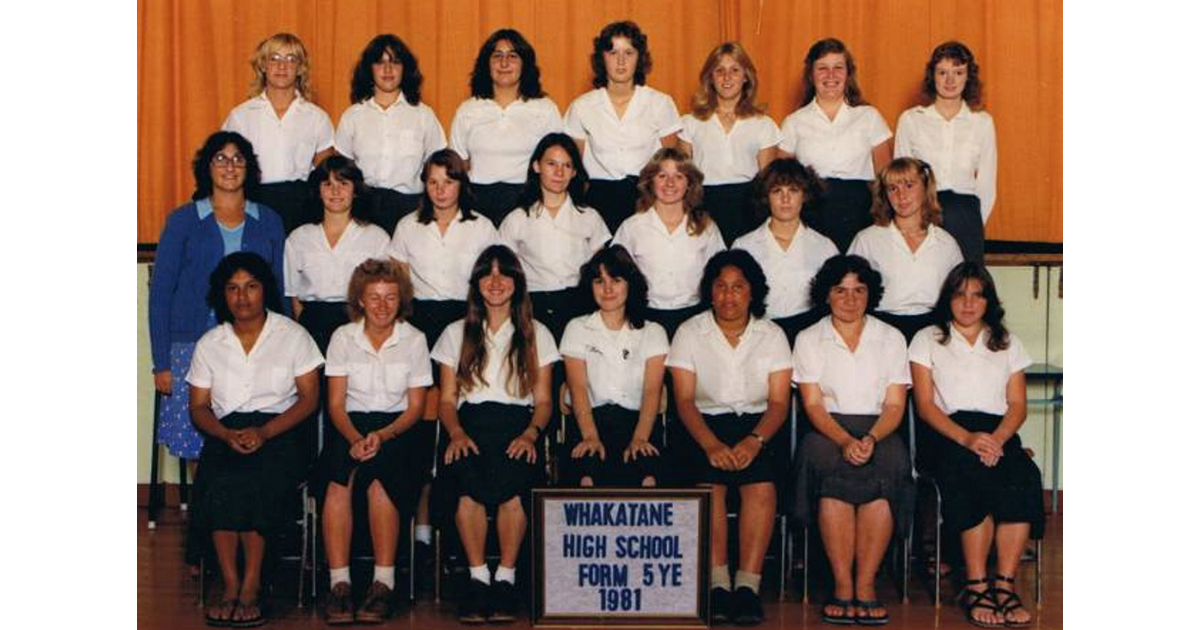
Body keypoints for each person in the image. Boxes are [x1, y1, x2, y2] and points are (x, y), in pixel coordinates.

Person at [187, 252, 322, 628]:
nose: (242, 297)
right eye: (232, 289)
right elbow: (198, 408)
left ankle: (251, 586)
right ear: (221, 295)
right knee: (219, 479)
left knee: (256, 480)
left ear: (265, 290)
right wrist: (226, 433)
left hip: (280, 431)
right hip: (225, 431)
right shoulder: (210, 343)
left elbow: (310, 399)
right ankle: (229, 585)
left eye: (251, 287)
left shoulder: (293, 335)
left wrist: (264, 432)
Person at [909, 262, 1042, 628]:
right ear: (948, 299)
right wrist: (967, 439)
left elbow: (1017, 404)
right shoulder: (928, 339)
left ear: (989, 301)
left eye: (977, 295)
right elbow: (925, 406)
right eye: (960, 294)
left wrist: (997, 439)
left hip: (997, 432)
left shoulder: (1006, 341)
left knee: (1022, 476)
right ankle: (977, 583)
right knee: (971, 477)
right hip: (949, 433)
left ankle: (1005, 586)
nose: (968, 303)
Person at [431, 245, 559, 624]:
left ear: (518, 283)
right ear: (477, 284)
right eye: (488, 274)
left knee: (515, 483)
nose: (496, 282)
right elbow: (447, 400)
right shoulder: (455, 333)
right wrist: (454, 433)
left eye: (505, 274)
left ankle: (505, 577)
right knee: (466, 481)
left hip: (518, 427)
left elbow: (545, 402)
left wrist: (531, 435)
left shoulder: (538, 333)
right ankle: (477, 579)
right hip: (468, 426)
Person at [387, 148, 498, 578]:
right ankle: (420, 524)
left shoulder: (482, 227)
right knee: (424, 423)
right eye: (433, 182)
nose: (440, 190)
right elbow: (398, 285)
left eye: (448, 182)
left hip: (466, 322)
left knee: (458, 420)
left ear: (460, 184)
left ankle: (454, 529)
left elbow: (491, 283)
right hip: (421, 322)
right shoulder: (407, 227)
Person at [149, 131, 286, 474]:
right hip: (191, 343)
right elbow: (161, 293)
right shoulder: (183, 220)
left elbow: (279, 289)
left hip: (254, 345)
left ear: (249, 168)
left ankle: (243, 517)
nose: (230, 166)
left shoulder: (268, 220)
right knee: (198, 436)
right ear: (206, 168)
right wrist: (161, 363)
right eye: (221, 158)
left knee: (250, 427)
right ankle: (208, 519)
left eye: (238, 158)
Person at [667, 250, 791, 625]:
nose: (729, 296)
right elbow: (684, 401)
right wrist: (711, 444)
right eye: (720, 287)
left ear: (752, 292)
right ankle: (717, 585)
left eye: (738, 287)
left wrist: (755, 441)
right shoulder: (689, 331)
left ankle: (747, 587)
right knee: (711, 487)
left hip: (759, 426)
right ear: (710, 292)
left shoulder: (772, 334)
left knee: (760, 488)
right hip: (703, 426)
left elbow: (779, 402)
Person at [791, 255, 914, 626]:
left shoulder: (890, 338)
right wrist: (845, 439)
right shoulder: (810, 338)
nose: (849, 299)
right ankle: (843, 586)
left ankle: (867, 585)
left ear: (870, 294)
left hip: (881, 428)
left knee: (889, 469)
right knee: (831, 474)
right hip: (827, 429)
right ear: (826, 295)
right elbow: (811, 402)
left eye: (859, 290)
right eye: (840, 290)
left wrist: (872, 438)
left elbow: (895, 403)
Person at [318, 259, 432, 625]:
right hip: (349, 424)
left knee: (381, 485)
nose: (383, 306)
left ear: (401, 301)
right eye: (374, 297)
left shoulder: (414, 339)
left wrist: (382, 436)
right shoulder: (341, 338)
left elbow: (416, 408)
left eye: (391, 298)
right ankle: (340, 584)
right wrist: (354, 439)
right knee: (339, 483)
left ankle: (383, 583)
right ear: (360, 301)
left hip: (398, 428)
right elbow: (335, 403)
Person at [560, 245, 669, 487]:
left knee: (648, 477)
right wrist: (589, 436)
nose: (607, 289)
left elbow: (652, 391)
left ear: (630, 284)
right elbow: (577, 388)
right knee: (586, 476)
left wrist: (640, 438)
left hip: (639, 422)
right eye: (599, 281)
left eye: (616, 280)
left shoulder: (653, 332)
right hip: (589, 422)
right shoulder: (576, 328)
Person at [564, 20, 683, 234]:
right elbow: (574, 169)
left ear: (640, 59)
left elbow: (673, 162)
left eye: (628, 53)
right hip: (597, 202)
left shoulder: (660, 103)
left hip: (647, 200)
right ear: (602, 58)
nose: (620, 61)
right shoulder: (582, 107)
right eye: (612, 52)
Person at [778, 38, 891, 253]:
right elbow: (782, 179)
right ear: (811, 75)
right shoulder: (794, 122)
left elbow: (885, 178)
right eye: (822, 68)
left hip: (860, 212)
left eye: (838, 67)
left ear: (848, 74)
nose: (831, 75)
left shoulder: (870, 117)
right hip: (812, 213)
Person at [499, 133, 610, 341]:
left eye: (567, 166)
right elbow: (505, 272)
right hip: (533, 306)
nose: (559, 172)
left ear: (574, 172)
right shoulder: (517, 218)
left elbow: (600, 271)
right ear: (536, 166)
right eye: (551, 164)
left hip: (579, 305)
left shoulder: (589, 216)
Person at [222, 33, 335, 235]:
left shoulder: (317, 118)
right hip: (254, 204)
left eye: (291, 59)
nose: (282, 66)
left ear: (300, 68)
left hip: (300, 209)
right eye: (274, 58)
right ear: (263, 65)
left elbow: (325, 173)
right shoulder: (240, 116)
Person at [895, 42, 996, 265]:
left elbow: (987, 185)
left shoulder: (982, 122)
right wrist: (913, 220)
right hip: (923, 213)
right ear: (933, 76)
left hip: (966, 214)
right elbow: (901, 178)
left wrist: (973, 223)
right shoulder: (911, 119)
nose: (950, 80)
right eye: (943, 72)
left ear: (968, 77)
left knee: (965, 285)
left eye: (958, 72)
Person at [450, 29, 563, 226]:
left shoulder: (545, 108)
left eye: (512, 56)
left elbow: (557, 161)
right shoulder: (468, 109)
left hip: (528, 203)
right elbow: (459, 165)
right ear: (487, 64)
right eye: (497, 56)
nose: (504, 64)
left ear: (524, 64)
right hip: (478, 203)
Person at [336, 34, 446, 235]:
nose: (388, 69)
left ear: (405, 69)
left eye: (395, 62)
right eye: (380, 62)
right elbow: (342, 170)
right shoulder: (352, 116)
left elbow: (438, 166)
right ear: (370, 69)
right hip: (363, 210)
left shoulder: (423, 115)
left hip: (410, 209)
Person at [611, 147, 725, 339]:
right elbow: (616, 274)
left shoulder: (706, 227)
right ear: (650, 181)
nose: (670, 183)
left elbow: (719, 274)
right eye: (662, 176)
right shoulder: (632, 227)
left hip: (695, 318)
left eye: (679, 176)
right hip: (646, 319)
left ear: (689, 183)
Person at [849, 157, 963, 342]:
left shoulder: (946, 243)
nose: (901, 195)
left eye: (909, 185)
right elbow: (849, 290)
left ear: (925, 188)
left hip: (933, 330)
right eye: (893, 188)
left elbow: (959, 295)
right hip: (881, 331)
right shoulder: (867, 240)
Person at [284, 156, 390, 354]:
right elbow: (295, 298)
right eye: (327, 184)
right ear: (318, 191)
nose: (335, 191)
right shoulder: (298, 238)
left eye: (343, 183)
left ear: (355, 190)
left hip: (359, 322)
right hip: (314, 325)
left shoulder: (376, 237)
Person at [680, 42, 781, 245]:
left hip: (748, 209)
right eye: (720, 71)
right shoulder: (689, 123)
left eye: (735, 70)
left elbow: (767, 182)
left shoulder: (764, 124)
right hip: (704, 207)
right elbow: (684, 178)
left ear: (746, 77)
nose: (727, 77)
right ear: (710, 77)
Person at [732, 158, 838, 344]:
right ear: (766, 197)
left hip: (811, 337)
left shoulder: (825, 247)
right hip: (759, 336)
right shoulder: (743, 246)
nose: (785, 199)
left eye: (793, 190)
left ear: (805, 195)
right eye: (777, 191)